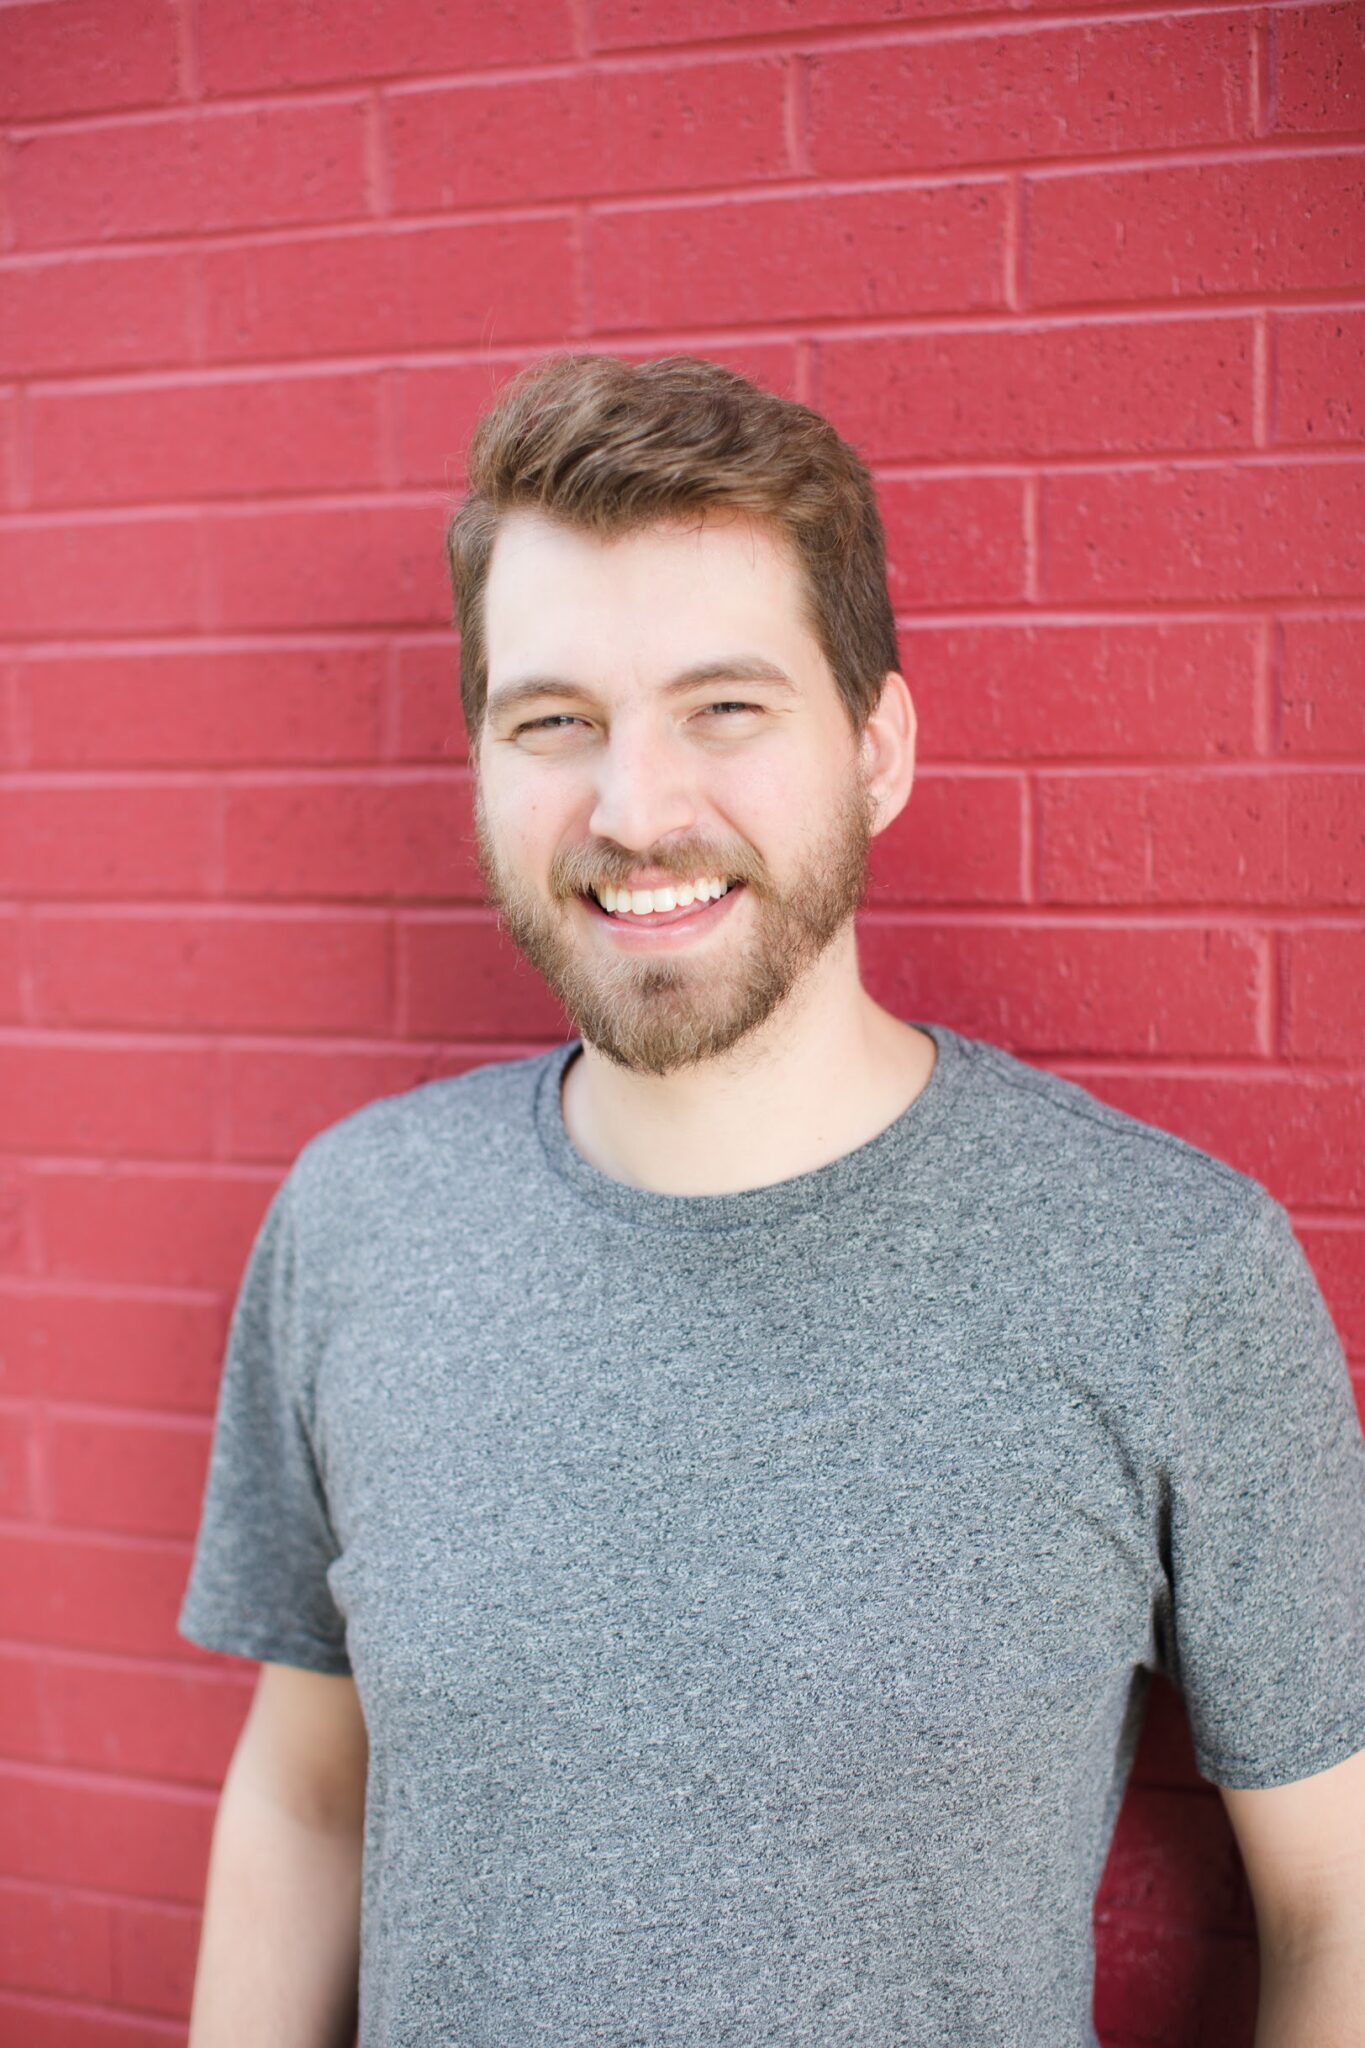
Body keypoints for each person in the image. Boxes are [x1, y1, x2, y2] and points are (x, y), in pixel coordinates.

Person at [177, 353, 1365, 2047]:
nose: (635, 810)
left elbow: (1338, 1906)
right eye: (553, 721)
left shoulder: (1166, 1271)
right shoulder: (358, 1222)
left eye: (724, 707)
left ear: (875, 750)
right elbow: (306, 1804)